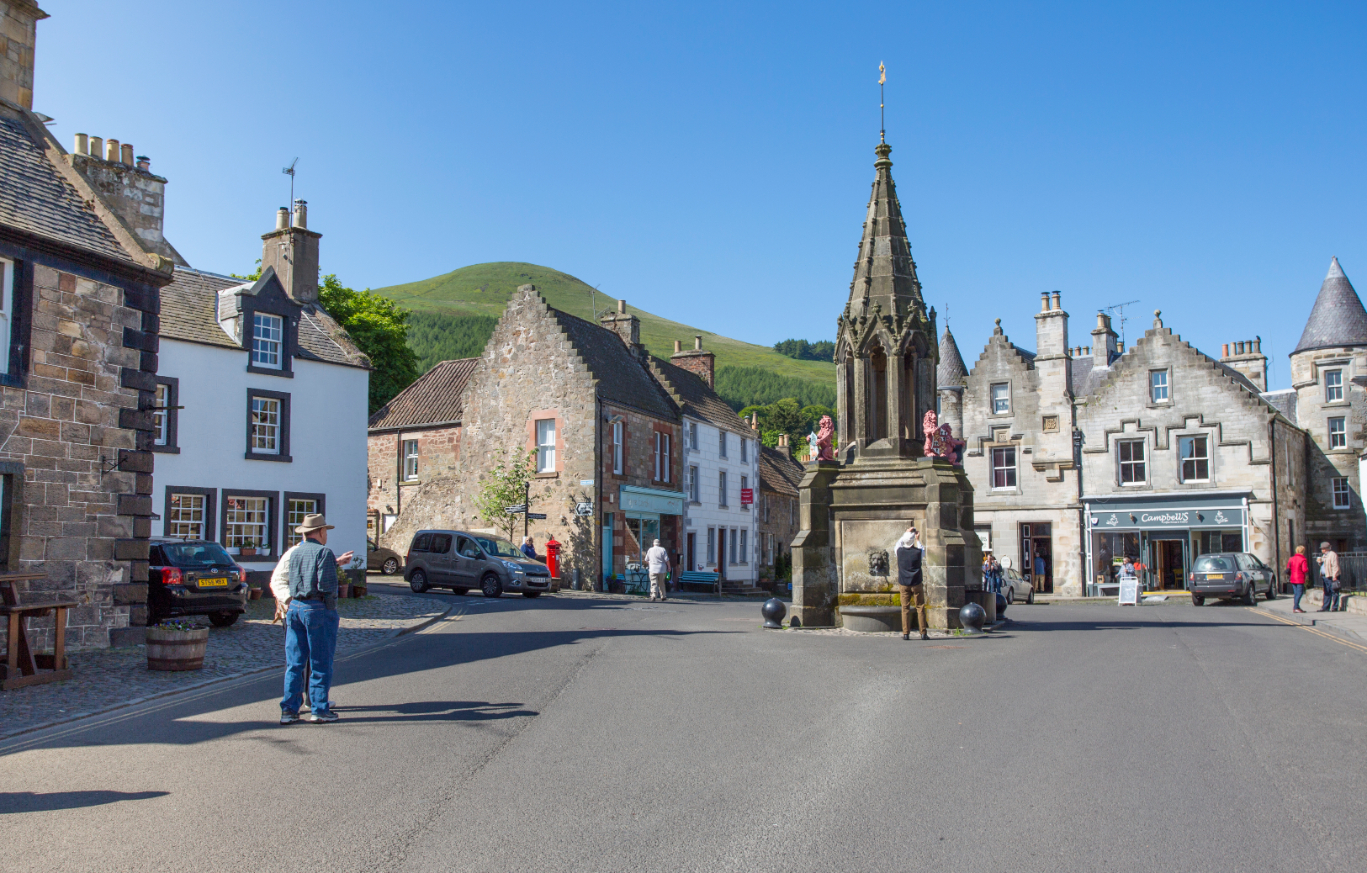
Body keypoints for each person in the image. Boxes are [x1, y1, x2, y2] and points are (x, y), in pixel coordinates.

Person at [280, 515, 352, 725]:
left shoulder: (295, 552)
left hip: (294, 607)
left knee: (295, 663)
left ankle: (289, 710)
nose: (326, 534)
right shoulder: (323, 552)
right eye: (325, 531)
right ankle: (319, 708)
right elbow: (327, 586)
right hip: (317, 608)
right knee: (320, 661)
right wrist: (332, 611)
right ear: (320, 532)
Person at [895, 526, 928, 641]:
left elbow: (897, 544)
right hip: (916, 582)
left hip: (904, 583)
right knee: (920, 607)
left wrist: (906, 533)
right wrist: (917, 539)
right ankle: (923, 632)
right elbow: (922, 550)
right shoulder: (918, 552)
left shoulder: (899, 552)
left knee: (905, 608)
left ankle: (906, 633)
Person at [1317, 542, 1341, 612]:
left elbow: (1335, 565)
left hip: (1331, 576)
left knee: (1334, 592)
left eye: (1322, 549)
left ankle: (1334, 607)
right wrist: (1320, 562)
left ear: (1326, 549)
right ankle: (1325, 607)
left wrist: (1335, 576)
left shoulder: (1332, 554)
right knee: (1326, 592)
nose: (1321, 550)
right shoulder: (1324, 555)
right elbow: (1324, 565)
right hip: (1325, 576)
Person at [1286, 545, 1309, 614]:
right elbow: (1304, 570)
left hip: (1293, 577)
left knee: (1296, 593)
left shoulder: (1291, 558)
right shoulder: (1303, 559)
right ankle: (1296, 607)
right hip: (1299, 578)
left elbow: (1288, 567)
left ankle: (1297, 607)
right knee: (1300, 593)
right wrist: (1307, 569)